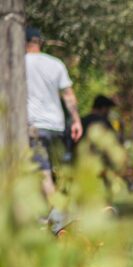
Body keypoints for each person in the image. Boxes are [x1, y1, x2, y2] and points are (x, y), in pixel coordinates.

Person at [25, 27, 83, 200]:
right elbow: (69, 95)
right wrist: (76, 121)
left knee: (43, 174)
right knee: (57, 172)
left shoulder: (15, 63)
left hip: (34, 127)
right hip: (56, 127)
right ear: (40, 43)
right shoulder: (55, 63)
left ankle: (57, 217)